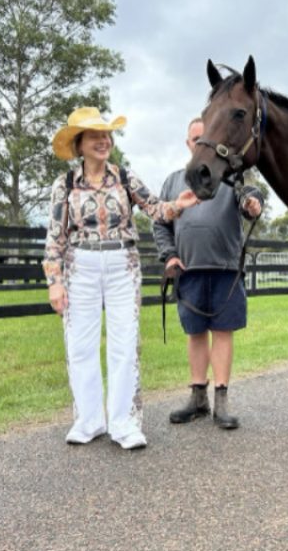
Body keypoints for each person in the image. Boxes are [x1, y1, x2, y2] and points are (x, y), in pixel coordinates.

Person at [44, 107, 197, 450]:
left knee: (124, 345)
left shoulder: (125, 178)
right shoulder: (65, 184)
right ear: (80, 143)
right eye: (96, 136)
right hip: (79, 267)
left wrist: (179, 204)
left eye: (107, 135)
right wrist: (54, 280)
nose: (104, 141)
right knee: (79, 346)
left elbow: (156, 209)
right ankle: (89, 420)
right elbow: (55, 237)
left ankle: (125, 423)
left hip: (121, 265)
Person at [153, 118, 263, 430]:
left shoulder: (231, 177)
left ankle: (222, 401)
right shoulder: (174, 181)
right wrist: (170, 256)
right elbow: (160, 223)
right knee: (195, 333)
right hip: (188, 269)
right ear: (189, 144)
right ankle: (198, 397)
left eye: (206, 137)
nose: (200, 142)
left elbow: (250, 199)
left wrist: (253, 205)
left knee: (223, 332)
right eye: (195, 138)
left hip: (226, 269)